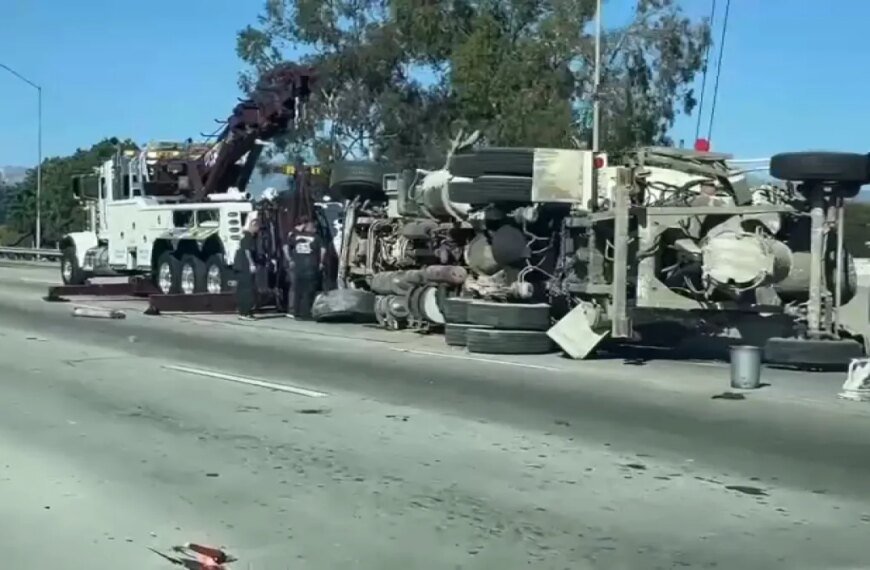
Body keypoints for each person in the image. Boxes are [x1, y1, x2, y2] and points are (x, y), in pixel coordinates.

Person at [285, 217, 326, 320]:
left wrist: (289, 259)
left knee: (298, 290)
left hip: (298, 267)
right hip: (310, 267)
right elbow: (323, 250)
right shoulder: (317, 237)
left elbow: (285, 246)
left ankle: (296, 312)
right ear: (311, 228)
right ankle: (305, 314)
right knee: (308, 291)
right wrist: (321, 262)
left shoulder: (295, 236)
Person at [233, 216, 260, 320]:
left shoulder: (245, 236)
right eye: (257, 227)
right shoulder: (248, 237)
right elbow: (247, 251)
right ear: (253, 226)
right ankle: (245, 312)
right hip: (245, 266)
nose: (257, 230)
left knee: (243, 289)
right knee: (247, 289)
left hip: (240, 266)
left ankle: (242, 311)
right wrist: (252, 264)